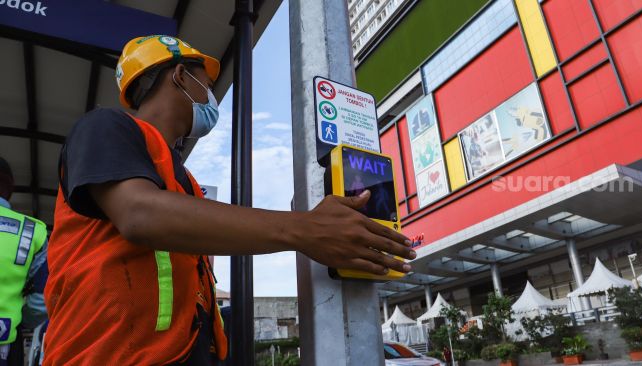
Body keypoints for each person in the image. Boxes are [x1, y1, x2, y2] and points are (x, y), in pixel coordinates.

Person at [43, 35, 415, 365]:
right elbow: (139, 214)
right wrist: (303, 229)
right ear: (178, 77)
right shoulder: (105, 127)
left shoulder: (183, 178)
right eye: (205, 85)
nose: (210, 98)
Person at [0, 157, 49, 366]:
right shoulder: (32, 231)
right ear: (10, 186)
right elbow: (42, 299)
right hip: (6, 344)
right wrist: (21, 320)